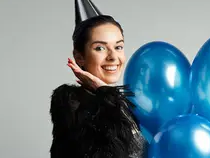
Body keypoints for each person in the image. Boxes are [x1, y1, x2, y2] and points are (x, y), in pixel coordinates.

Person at [49, 13, 146, 157]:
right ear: (79, 57)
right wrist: (104, 92)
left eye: (118, 47)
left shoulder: (126, 103)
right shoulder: (74, 108)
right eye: (100, 48)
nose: (113, 57)